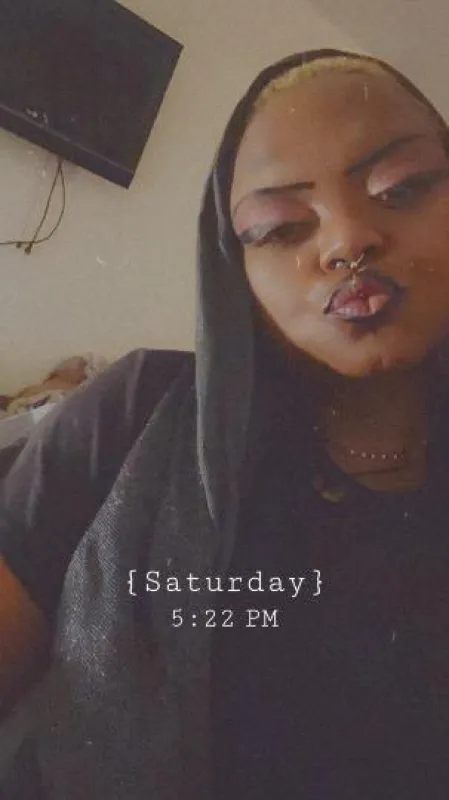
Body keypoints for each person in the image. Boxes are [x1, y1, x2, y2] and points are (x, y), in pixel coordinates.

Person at [1, 47, 449, 799]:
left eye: (401, 187)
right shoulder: (132, 414)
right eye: (277, 227)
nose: (347, 240)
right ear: (230, 266)